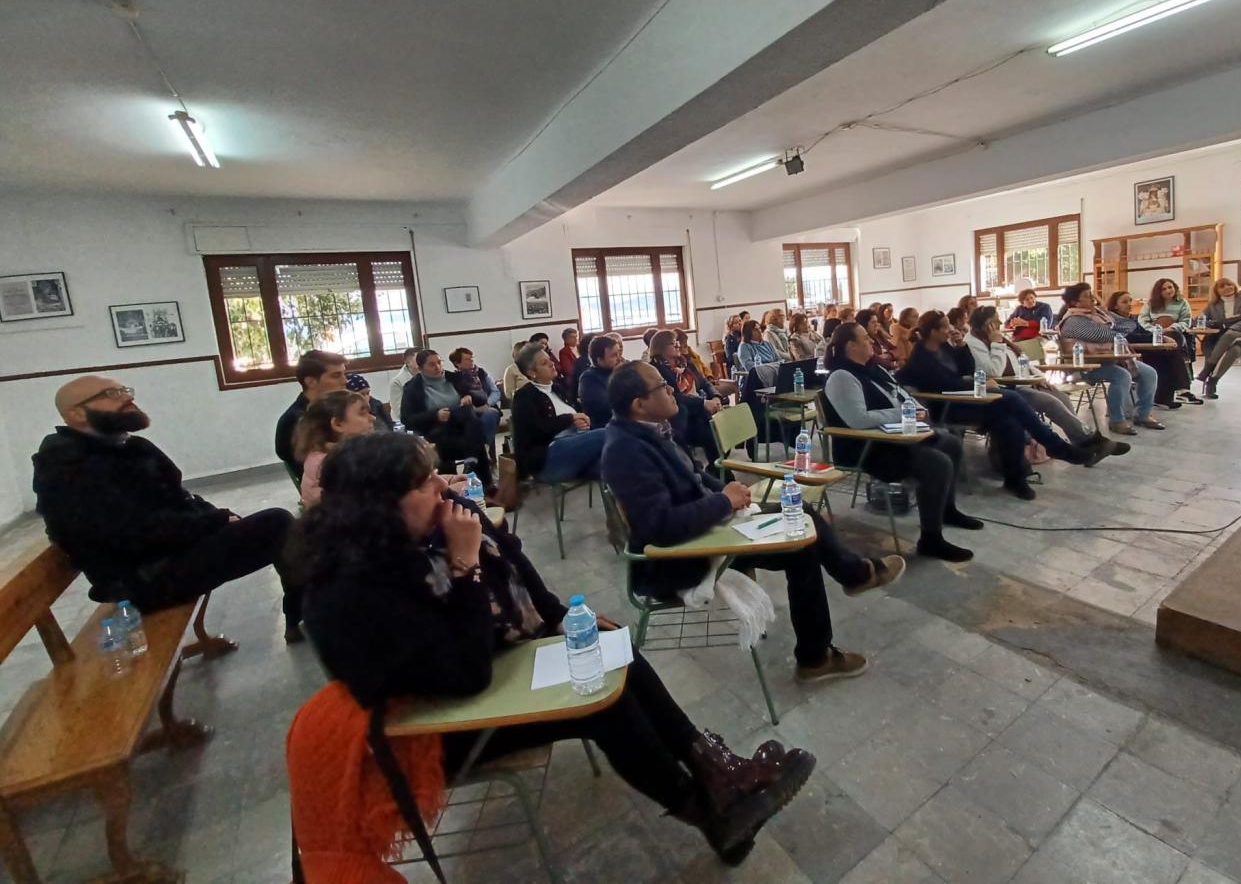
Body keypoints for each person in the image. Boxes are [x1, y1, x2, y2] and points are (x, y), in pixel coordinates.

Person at [299, 433, 814, 864]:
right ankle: (707, 811)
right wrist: (464, 564)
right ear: (380, 506)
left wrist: (557, 616)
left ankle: (717, 774)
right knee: (602, 704)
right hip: (438, 724)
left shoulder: (426, 528)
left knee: (617, 653)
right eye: (423, 482)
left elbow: (517, 566)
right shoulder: (350, 590)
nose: (441, 487)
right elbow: (465, 673)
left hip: (486, 663)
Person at [602, 361, 903, 681]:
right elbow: (659, 527)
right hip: (678, 557)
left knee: (800, 515)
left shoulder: (656, 429)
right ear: (639, 404)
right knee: (801, 548)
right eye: (662, 386)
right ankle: (823, 642)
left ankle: (848, 590)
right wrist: (723, 502)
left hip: (706, 526)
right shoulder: (626, 452)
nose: (673, 388)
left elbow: (696, 477)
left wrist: (734, 494)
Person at [33, 377, 302, 639]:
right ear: (77, 413)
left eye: (125, 389)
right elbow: (132, 533)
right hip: (144, 581)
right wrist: (214, 522)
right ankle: (309, 611)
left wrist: (218, 517)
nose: (129, 397)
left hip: (169, 556)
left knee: (282, 531)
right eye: (112, 394)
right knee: (278, 524)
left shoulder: (130, 446)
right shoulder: (66, 467)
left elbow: (180, 498)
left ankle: (301, 609)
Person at [899, 311, 1104, 499]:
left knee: (1010, 421)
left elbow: (966, 369)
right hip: (948, 407)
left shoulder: (944, 347)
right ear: (933, 332)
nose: (950, 330)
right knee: (1012, 399)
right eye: (945, 327)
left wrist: (961, 349)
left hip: (969, 398)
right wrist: (975, 382)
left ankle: (1015, 479)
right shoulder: (921, 358)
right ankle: (1056, 447)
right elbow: (945, 384)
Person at [822, 323, 978, 560]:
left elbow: (902, 395)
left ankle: (947, 510)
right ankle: (931, 539)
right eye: (865, 339)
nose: (872, 341)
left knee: (951, 444)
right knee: (937, 463)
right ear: (851, 346)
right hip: (866, 448)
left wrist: (916, 409)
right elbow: (858, 420)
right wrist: (904, 414)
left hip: (893, 439)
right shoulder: (841, 377)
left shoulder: (874, 369)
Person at [965, 308, 1125, 455]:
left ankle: (1081, 442)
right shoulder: (974, 343)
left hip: (1021, 382)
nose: (1000, 323)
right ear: (988, 325)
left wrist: (1038, 378)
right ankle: (1090, 441)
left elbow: (1022, 360)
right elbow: (993, 372)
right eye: (996, 320)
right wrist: (997, 344)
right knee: (1050, 402)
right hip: (1002, 390)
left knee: (1061, 396)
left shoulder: (995, 338)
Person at [1056, 284, 1163, 435]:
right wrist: (1114, 328)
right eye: (1088, 296)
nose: (1093, 298)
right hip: (1087, 366)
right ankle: (1117, 420)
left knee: (1149, 373)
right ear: (1075, 302)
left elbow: (1129, 324)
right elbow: (1106, 335)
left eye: (1092, 294)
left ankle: (1143, 415)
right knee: (1121, 375)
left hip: (1110, 360)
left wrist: (1105, 310)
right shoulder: (1073, 321)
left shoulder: (1098, 314)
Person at [511, 343, 606, 482]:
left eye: (549, 359)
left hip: (574, 449)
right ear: (532, 372)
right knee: (608, 433)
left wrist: (581, 420)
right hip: (547, 460)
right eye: (544, 363)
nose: (551, 363)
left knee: (612, 464)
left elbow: (575, 414)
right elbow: (537, 430)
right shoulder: (524, 396)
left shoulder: (557, 388)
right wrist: (570, 419)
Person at [400, 350, 494, 485]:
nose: (437, 367)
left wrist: (470, 395)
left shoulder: (454, 378)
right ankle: (475, 478)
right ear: (421, 368)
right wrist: (435, 415)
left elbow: (482, 397)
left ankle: (481, 485)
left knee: (468, 413)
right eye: (432, 365)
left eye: (439, 362)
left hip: (462, 428)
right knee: (475, 444)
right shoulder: (413, 388)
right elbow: (407, 420)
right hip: (437, 431)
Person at [1106, 291, 1192, 409]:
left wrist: (1161, 337)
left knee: (1172, 349)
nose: (1129, 304)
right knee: (1168, 356)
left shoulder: (1132, 319)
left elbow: (1145, 332)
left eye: (1130, 301)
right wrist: (1159, 338)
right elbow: (1129, 337)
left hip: (1143, 348)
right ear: (1115, 305)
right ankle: (1178, 391)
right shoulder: (1113, 320)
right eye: (1124, 302)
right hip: (1127, 352)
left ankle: (1168, 395)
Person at [294, 389, 377, 506]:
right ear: (338, 424)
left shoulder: (333, 453)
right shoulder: (334, 463)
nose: (373, 418)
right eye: (362, 413)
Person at [275, 350, 347, 481]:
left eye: (344, 374)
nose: (344, 381)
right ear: (311, 382)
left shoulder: (328, 409)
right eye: (336, 376)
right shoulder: (297, 420)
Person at [649, 330, 723, 455]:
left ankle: (716, 467)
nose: (678, 346)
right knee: (711, 432)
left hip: (699, 406)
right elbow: (674, 396)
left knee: (722, 430)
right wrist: (703, 403)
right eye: (673, 344)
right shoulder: (655, 369)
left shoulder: (685, 363)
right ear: (661, 348)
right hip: (681, 413)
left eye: (677, 342)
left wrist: (716, 397)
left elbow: (705, 383)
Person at [1138, 279, 1202, 404]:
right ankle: (1182, 390)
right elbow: (1142, 320)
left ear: (1175, 288)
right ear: (1158, 292)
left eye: (1170, 287)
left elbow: (1186, 321)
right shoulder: (1151, 304)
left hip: (1175, 332)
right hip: (1153, 335)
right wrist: (1155, 330)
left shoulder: (1182, 303)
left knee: (1174, 344)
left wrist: (1171, 328)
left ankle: (1172, 394)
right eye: (1164, 289)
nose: (1168, 290)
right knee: (1174, 353)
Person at [448, 347, 503, 448]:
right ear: (457, 363)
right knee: (471, 422)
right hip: (469, 410)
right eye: (467, 359)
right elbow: (455, 399)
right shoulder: (454, 378)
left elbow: (495, 392)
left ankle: (483, 447)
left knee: (489, 415)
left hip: (488, 406)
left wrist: (487, 404)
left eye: (472, 358)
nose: (471, 361)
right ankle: (481, 450)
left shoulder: (481, 373)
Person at [578, 333, 624, 429]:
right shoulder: (588, 378)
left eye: (619, 353)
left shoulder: (620, 369)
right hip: (605, 428)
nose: (619, 358)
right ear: (599, 360)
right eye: (614, 355)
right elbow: (608, 406)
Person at [387, 346, 419, 417]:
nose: (424, 361)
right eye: (419, 359)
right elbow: (399, 411)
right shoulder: (396, 382)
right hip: (404, 422)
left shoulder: (429, 375)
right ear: (407, 362)